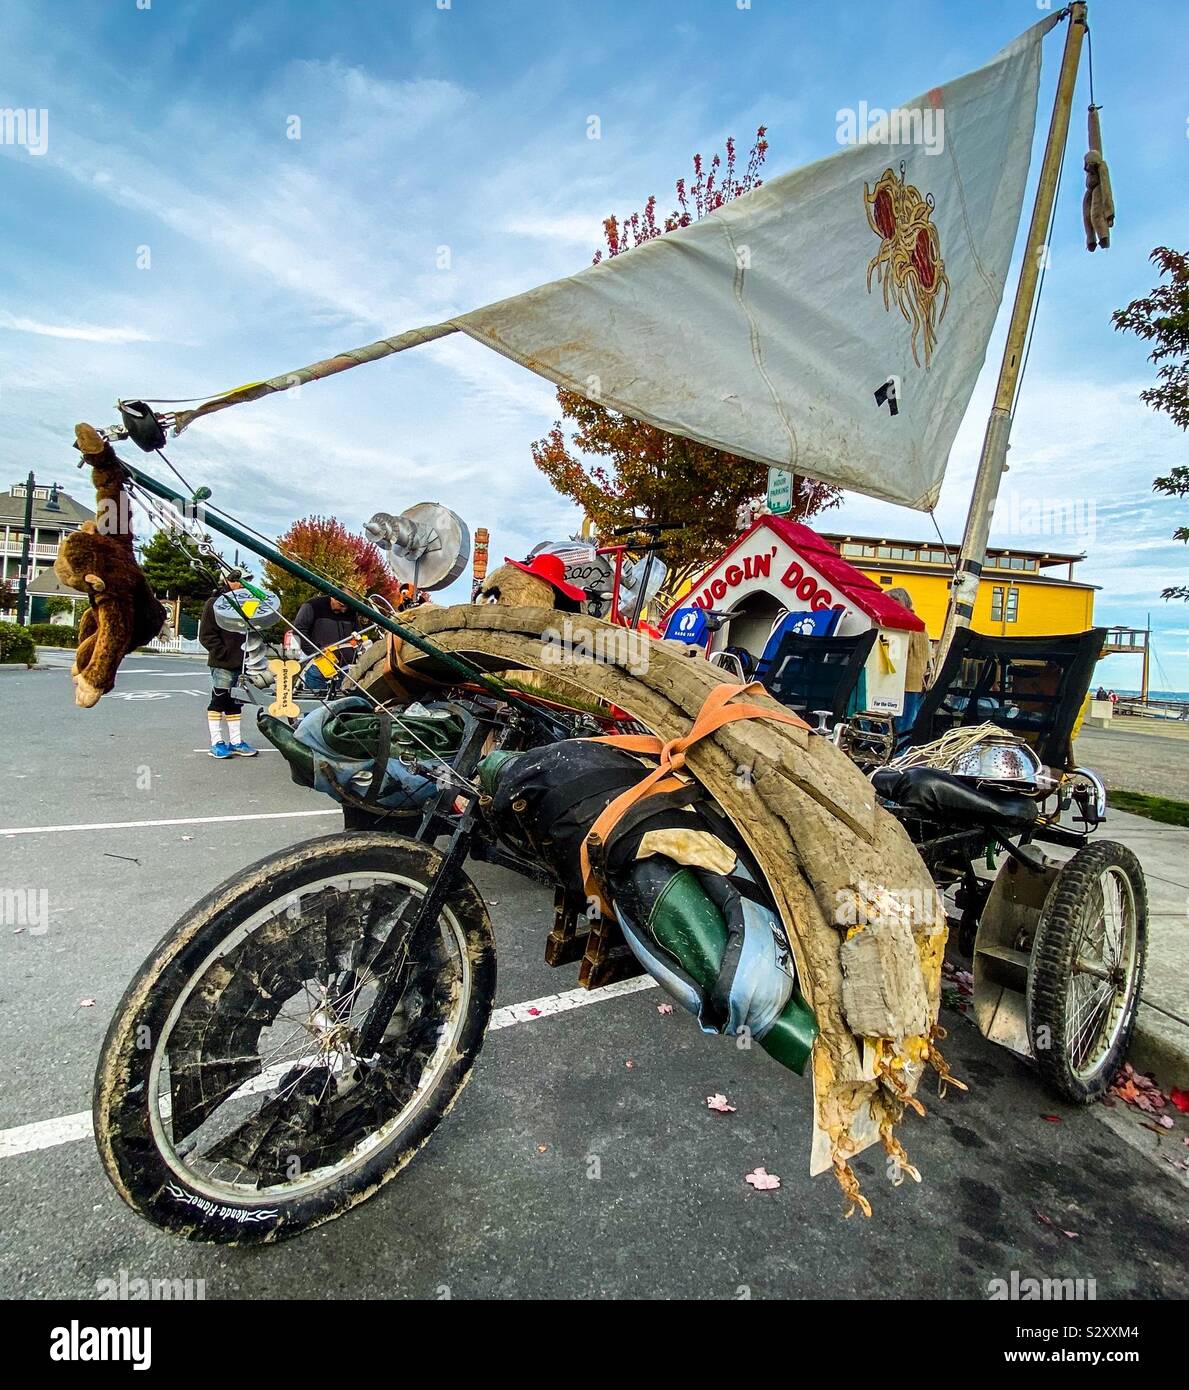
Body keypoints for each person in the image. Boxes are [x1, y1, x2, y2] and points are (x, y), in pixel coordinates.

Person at [198, 576, 259, 759]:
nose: (243, 583)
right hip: (223, 663)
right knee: (219, 701)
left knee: (235, 703)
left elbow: (251, 627)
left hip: (242, 663)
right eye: (239, 579)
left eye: (246, 579)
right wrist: (222, 653)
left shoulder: (246, 603)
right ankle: (216, 743)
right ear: (226, 581)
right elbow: (206, 635)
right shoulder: (214, 603)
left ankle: (236, 741)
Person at [293, 591, 365, 691]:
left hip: (344, 667)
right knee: (316, 697)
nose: (344, 610)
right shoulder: (313, 606)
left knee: (343, 698)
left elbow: (358, 633)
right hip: (318, 665)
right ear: (333, 597)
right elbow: (299, 630)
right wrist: (315, 652)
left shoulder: (350, 611)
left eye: (347, 607)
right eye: (342, 605)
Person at [885, 587, 932, 737]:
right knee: (909, 723)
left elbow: (898, 651)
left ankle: (900, 750)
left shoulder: (906, 624)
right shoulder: (918, 623)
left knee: (901, 725)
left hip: (906, 683)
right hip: (918, 682)